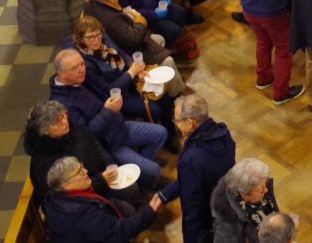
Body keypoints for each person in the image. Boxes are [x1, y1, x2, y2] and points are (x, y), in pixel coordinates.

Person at [48, 49, 167, 188]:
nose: (82, 70)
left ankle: (140, 172)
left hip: (119, 127)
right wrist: (108, 111)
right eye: (75, 68)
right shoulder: (63, 104)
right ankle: (146, 180)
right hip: (109, 144)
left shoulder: (76, 82)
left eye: (82, 64)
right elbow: (87, 135)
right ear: (61, 74)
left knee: (160, 133)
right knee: (154, 170)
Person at [23, 101, 140, 215]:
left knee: (132, 189)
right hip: (83, 203)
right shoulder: (45, 164)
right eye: (58, 122)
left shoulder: (71, 129)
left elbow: (94, 143)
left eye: (64, 116)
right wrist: (100, 181)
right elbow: (64, 197)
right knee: (126, 209)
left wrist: (108, 164)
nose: (65, 122)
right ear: (46, 131)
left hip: (100, 179)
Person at [160, 95, 237, 243]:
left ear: (190, 123)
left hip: (204, 222)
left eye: (176, 120)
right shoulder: (224, 134)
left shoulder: (192, 159)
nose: (175, 124)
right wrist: (165, 194)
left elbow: (192, 207)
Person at [41, 156, 160, 243]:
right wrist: (149, 211)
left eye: (81, 167)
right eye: (79, 172)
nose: (86, 171)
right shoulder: (84, 215)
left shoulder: (54, 196)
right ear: (66, 185)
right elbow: (120, 232)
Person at [211, 159, 280, 243]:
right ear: (244, 192)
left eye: (265, 184)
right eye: (261, 189)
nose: (266, 190)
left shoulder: (261, 187)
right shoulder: (228, 229)